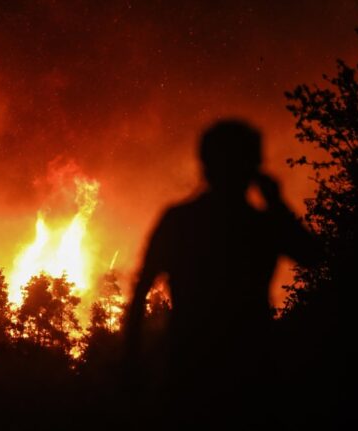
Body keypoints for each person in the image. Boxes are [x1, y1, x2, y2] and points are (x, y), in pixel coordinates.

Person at [124, 119, 320, 427]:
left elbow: (139, 293)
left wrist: (131, 360)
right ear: (254, 167)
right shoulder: (260, 225)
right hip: (249, 374)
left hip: (190, 372)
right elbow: (313, 255)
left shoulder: (180, 221)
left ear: (204, 165)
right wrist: (277, 203)